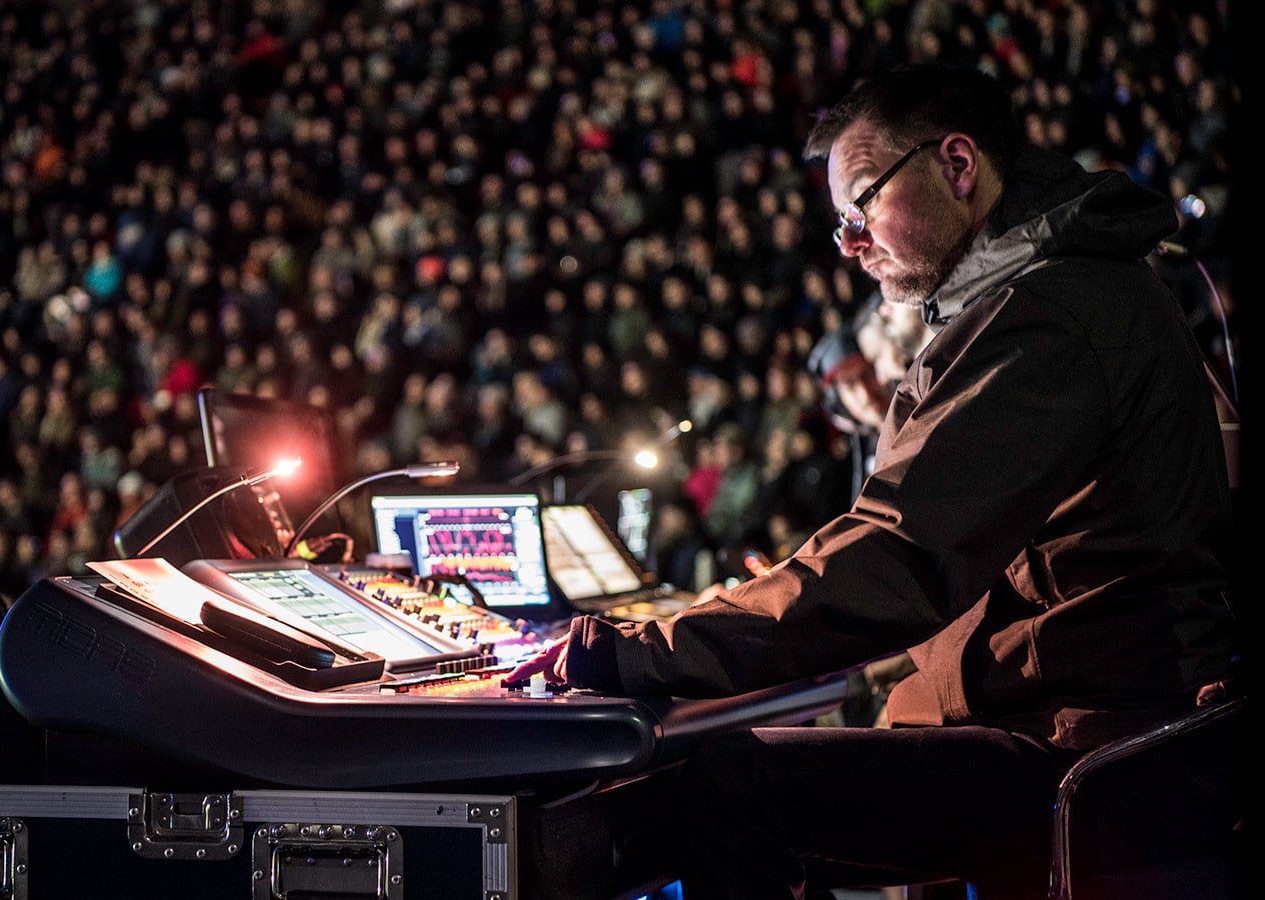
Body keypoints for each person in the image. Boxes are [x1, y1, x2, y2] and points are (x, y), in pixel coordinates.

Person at [506, 63, 1238, 899]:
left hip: (1097, 758)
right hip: (1084, 729)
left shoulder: (1050, 315)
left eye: (860, 206)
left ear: (958, 166)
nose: (849, 241)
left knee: (729, 789)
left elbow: (897, 556)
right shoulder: (1040, 297)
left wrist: (650, 651)